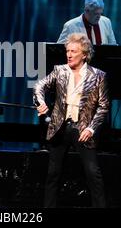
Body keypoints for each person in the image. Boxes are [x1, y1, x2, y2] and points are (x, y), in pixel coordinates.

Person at [34, 33, 109, 208]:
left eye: (73, 51)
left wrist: (91, 128)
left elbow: (104, 106)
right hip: (60, 127)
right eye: (67, 51)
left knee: (93, 173)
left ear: (84, 54)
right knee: (53, 173)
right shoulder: (60, 70)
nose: (69, 54)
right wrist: (41, 101)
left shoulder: (98, 76)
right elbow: (40, 86)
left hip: (83, 129)